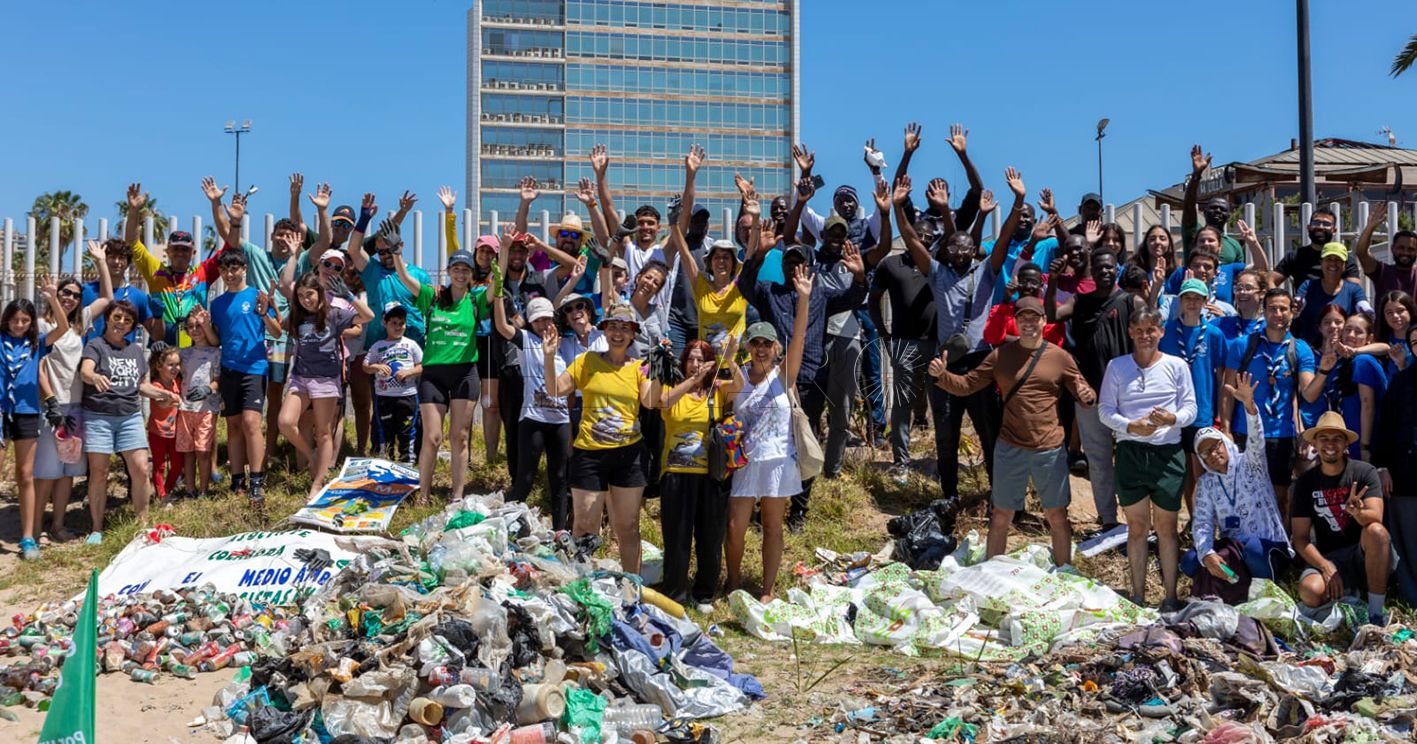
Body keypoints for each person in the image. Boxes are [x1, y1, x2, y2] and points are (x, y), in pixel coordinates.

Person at [932, 296, 1095, 567]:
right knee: (1001, 515)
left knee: (1056, 516)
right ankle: (994, 574)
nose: (1029, 323)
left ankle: (1065, 573)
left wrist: (1087, 395)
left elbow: (1084, 392)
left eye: (1034, 318)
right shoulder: (1000, 356)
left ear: (1044, 320)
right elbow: (968, 385)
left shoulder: (1060, 357)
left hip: (1050, 448)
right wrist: (941, 375)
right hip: (1010, 447)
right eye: (1023, 318)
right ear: (1015, 322)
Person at [894, 168, 1024, 502]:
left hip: (981, 362)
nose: (961, 251)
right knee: (946, 437)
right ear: (946, 251)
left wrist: (1018, 200)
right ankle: (949, 497)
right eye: (954, 246)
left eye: (967, 246)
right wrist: (897, 208)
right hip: (946, 363)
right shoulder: (937, 274)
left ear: (974, 249)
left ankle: (999, 497)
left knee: (989, 432)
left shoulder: (986, 273)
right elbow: (910, 239)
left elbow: (1007, 237)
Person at [740, 211, 867, 531]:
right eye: (788, 261)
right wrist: (758, 255)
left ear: (809, 266)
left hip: (809, 378)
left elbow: (855, 296)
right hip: (771, 382)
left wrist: (860, 276)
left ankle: (798, 512)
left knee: (801, 441)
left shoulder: (821, 294)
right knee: (767, 442)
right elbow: (744, 285)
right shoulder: (770, 291)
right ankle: (762, 508)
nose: (792, 266)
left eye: (799, 261)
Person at [543, 303, 654, 574]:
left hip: (629, 455)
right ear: (604, 329)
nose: (618, 333)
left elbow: (651, 402)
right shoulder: (586, 361)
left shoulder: (641, 368)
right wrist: (549, 357)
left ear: (632, 334)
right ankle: (584, 584)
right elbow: (555, 389)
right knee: (584, 525)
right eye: (613, 326)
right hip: (589, 454)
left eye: (624, 328)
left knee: (627, 527)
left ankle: (631, 586)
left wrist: (660, 370)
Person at [1099, 308, 1198, 611]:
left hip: (1167, 454)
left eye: (1151, 330)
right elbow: (1104, 410)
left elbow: (1190, 409)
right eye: (1139, 330)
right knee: (1137, 527)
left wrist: (1172, 418)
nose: (1145, 336)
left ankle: (1170, 597)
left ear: (1161, 332)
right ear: (1130, 332)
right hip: (1131, 453)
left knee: (1167, 528)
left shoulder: (1177, 366)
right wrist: (1131, 426)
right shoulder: (1117, 367)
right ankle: (1138, 597)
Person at [727, 268, 813, 601]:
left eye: (766, 343)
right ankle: (733, 583)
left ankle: (767, 590)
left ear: (775, 347)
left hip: (778, 459)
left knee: (773, 527)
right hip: (745, 461)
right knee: (735, 527)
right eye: (755, 343)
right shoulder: (738, 377)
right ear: (748, 346)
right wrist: (727, 352)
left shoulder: (782, 376)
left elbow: (800, 338)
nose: (760, 349)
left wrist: (803, 299)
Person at [1048, 248, 1144, 529]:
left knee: (1132, 460)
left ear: (1117, 269)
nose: (1104, 271)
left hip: (1128, 396)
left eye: (1109, 267)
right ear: (1092, 270)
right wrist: (1053, 279)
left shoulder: (1131, 302)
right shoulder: (1080, 302)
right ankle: (1109, 521)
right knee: (1098, 461)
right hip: (1089, 394)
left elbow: (1151, 336)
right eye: (1099, 267)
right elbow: (1052, 313)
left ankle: (1137, 522)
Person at [392, 245, 489, 504]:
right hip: (433, 373)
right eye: (456, 269)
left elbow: (497, 289)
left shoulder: (475, 299)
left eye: (465, 270)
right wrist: (396, 254)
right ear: (448, 271)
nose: (460, 274)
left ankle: (457, 495)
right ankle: (423, 495)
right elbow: (405, 279)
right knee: (432, 437)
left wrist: (504, 251)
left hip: (465, 372)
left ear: (471, 274)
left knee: (459, 436)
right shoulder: (433, 297)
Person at [652, 337, 743, 611]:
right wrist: (692, 381)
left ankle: (704, 593)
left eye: (701, 360)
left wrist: (729, 359)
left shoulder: (717, 391)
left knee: (709, 536)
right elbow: (661, 402)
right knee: (676, 536)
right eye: (691, 359)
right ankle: (675, 592)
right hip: (676, 474)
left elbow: (740, 386)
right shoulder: (674, 389)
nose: (695, 365)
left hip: (710, 476)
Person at [80, 300, 180, 542]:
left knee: (140, 468)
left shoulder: (135, 350)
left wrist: (163, 394)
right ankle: (96, 528)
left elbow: (142, 385)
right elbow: (85, 371)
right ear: (107, 319)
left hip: (130, 416)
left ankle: (142, 524)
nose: (121, 323)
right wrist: (94, 377)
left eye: (127, 320)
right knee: (99, 472)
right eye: (117, 317)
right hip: (98, 417)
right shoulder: (96, 345)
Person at [1184, 373, 1293, 594]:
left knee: (1254, 549)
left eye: (1215, 446)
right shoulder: (1206, 483)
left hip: (1266, 546)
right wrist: (1207, 553)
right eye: (1205, 453)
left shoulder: (1250, 462)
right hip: (1235, 549)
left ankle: (1269, 592)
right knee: (1191, 560)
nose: (1212, 454)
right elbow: (1203, 522)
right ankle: (1235, 588)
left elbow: (1256, 438)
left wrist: (1249, 406)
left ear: (1225, 443)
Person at [35, 248, 112, 543]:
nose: (70, 298)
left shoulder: (80, 324)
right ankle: (37, 529)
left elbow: (106, 298)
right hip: (51, 407)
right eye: (64, 292)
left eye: (75, 295)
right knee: (46, 472)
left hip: (77, 406)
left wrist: (101, 261)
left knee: (67, 471)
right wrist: (51, 400)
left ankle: (58, 525)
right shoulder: (43, 325)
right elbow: (40, 367)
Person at [1219, 288, 1316, 520]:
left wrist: (1323, 372)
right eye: (1273, 308)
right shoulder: (1243, 345)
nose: (1278, 314)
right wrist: (1226, 429)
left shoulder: (1299, 349)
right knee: (1245, 493)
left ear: (1292, 312)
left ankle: (1279, 547)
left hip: (1281, 434)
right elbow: (1227, 391)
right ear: (1264, 311)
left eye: (1284, 308)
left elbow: (1307, 393)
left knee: (1280, 496)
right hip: (1245, 431)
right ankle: (1246, 547)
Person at [1290, 411, 1393, 625]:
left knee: (1376, 532)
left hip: (1363, 553)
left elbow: (1377, 518)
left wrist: (1358, 513)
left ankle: (1375, 613)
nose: (1330, 444)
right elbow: (1300, 538)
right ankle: (1349, 592)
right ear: (1315, 445)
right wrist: (1326, 566)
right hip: (1328, 555)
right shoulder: (1306, 482)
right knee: (1309, 592)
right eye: (1324, 439)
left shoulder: (1364, 472)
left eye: (1337, 438)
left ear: (1346, 443)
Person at [278, 272, 373, 498]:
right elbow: (279, 328)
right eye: (300, 295)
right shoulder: (297, 316)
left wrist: (348, 295)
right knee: (285, 422)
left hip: (326, 381)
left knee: (323, 433)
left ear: (319, 293)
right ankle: (312, 457)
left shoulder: (335, 315)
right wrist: (267, 309)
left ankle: (318, 482)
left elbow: (368, 316)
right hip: (300, 378)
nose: (305, 299)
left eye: (309, 294)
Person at [203, 248, 282, 503]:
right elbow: (216, 341)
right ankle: (237, 481)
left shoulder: (258, 296)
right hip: (228, 369)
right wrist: (205, 327)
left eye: (234, 268)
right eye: (225, 269)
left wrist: (263, 313)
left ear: (244, 269)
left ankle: (257, 480)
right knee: (233, 425)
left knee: (251, 422)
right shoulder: (217, 304)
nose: (229, 274)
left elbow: (278, 332)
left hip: (255, 368)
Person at [2, 284, 69, 560]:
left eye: (25, 320)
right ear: (7, 319)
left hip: (28, 412)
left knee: (25, 475)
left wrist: (53, 299)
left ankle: (28, 537)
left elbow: (63, 328)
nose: (19, 325)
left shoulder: (37, 343)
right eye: (14, 319)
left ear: (31, 323)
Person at [494, 296, 571, 529]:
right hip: (533, 419)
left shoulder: (566, 345)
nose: (543, 325)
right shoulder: (527, 340)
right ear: (530, 322)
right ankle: (503, 525)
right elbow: (501, 326)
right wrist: (498, 294)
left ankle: (560, 532)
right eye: (537, 321)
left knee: (559, 480)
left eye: (547, 319)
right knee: (525, 478)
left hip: (561, 420)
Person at [871, 214, 938, 481]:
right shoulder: (890, 265)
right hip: (903, 342)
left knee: (939, 401)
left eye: (930, 238)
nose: (923, 240)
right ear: (910, 236)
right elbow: (873, 299)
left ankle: (942, 460)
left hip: (935, 342)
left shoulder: (937, 265)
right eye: (919, 235)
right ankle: (902, 459)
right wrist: (882, 331)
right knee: (901, 402)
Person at [1160, 279, 1228, 515]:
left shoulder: (1214, 334)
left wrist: (1220, 413)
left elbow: (1221, 375)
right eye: (1187, 298)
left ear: (1205, 302)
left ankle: (1202, 519)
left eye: (1197, 298)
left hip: (1202, 411)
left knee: (1201, 468)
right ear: (1180, 301)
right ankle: (1189, 518)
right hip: (1172, 412)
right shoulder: (1166, 331)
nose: (1191, 303)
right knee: (1180, 470)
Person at [1301, 309, 1386, 460]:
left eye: (1358, 332)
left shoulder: (1362, 361)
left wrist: (1364, 446)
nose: (1351, 335)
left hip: (1363, 438)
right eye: (1348, 330)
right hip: (1345, 437)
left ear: (1369, 338)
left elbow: (1367, 406)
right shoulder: (1343, 360)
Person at [1372, 337, 1417, 605]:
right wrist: (1382, 466)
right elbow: (1385, 426)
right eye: (1414, 341)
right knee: (1408, 541)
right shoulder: (1402, 382)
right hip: (1406, 476)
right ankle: (1413, 600)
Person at [364, 303, 424, 466]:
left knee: (407, 433)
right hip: (384, 397)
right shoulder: (377, 346)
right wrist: (376, 367)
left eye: (401, 323)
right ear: (384, 322)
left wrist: (409, 372)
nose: (398, 327)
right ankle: (385, 466)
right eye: (393, 323)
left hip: (407, 397)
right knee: (385, 433)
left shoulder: (411, 344)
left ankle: (407, 466)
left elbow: (422, 366)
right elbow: (366, 366)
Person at [177, 309, 221, 499]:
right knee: (187, 452)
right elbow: (170, 371)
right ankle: (189, 489)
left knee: (203, 451)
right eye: (190, 327)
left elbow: (219, 378)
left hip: (207, 408)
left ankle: (203, 490)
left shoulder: (216, 353)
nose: (195, 330)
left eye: (199, 326)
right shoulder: (182, 353)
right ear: (186, 331)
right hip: (185, 408)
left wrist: (209, 389)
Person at [1293, 243, 1369, 348]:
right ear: (1321, 263)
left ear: (1345, 265)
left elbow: (1366, 313)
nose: (1333, 263)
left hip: (1342, 352)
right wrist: (1296, 307)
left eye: (1338, 260)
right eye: (1329, 259)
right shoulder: (1308, 286)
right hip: (1308, 351)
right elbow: (1297, 305)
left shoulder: (1354, 290)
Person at [1181, 145, 1245, 265]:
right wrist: (1196, 175)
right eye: (1213, 208)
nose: (1218, 211)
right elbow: (1189, 206)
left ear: (1229, 215)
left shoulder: (1234, 245)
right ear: (1204, 213)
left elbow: (1238, 275)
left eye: (1222, 209)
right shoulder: (1195, 233)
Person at [1273, 208, 1361, 290]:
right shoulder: (1296, 256)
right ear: (1308, 227)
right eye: (1316, 223)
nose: (1320, 227)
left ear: (1334, 230)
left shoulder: (1345, 258)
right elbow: (1270, 281)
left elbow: (1354, 289)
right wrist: (1282, 302)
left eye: (1326, 224)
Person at [1354, 201, 1417, 298]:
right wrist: (1370, 227)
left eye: (1411, 249)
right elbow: (1361, 253)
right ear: (1392, 249)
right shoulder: (1383, 272)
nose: (1405, 252)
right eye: (1401, 248)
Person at [146, 344, 183, 503]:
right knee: (159, 465)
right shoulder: (156, 385)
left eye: (177, 364)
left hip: (175, 431)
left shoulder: (178, 383)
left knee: (177, 465)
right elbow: (160, 403)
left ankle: (166, 491)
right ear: (159, 367)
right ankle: (162, 496)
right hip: (157, 432)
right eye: (170, 365)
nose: (175, 368)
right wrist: (173, 400)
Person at [1213, 269, 1268, 341]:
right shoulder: (1220, 324)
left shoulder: (1270, 326)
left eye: (1248, 288)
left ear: (1262, 294)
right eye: (1239, 288)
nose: (1242, 292)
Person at [1376, 290, 1416, 376]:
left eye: (1400, 310)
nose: (1395, 316)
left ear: (1410, 310)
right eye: (1389, 313)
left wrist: (1402, 365)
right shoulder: (1381, 340)